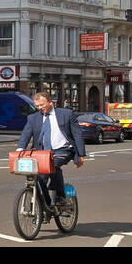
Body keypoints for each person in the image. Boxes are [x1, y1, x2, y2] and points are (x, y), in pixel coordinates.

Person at [16, 90, 85, 219]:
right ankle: (46, 206)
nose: (40, 108)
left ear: (50, 101)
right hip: (41, 152)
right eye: (37, 106)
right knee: (39, 176)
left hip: (63, 150)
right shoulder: (33, 118)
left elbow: (77, 134)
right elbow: (26, 134)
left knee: (53, 165)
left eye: (42, 105)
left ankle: (60, 196)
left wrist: (80, 154)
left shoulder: (66, 114)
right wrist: (20, 149)